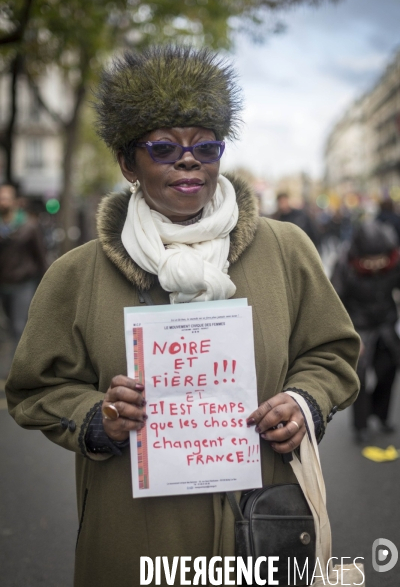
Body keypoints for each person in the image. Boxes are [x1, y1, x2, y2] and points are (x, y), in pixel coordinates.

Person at [6, 46, 360, 587]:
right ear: (128, 162)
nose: (189, 161)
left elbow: (331, 352)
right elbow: (33, 389)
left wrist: (305, 401)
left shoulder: (286, 250)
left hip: (260, 527)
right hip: (134, 538)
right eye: (165, 147)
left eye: (206, 146)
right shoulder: (77, 274)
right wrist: (99, 420)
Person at [331, 220, 400, 443]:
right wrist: (349, 337)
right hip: (357, 327)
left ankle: (380, 415)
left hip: (386, 323)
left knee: (388, 370)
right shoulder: (344, 264)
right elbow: (334, 301)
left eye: (379, 259)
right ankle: (360, 425)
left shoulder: (394, 262)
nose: (375, 264)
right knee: (358, 378)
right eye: (369, 260)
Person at [0, 184, 47, 352]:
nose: (2, 201)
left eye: (6, 198)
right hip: (3, 284)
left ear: (14, 202)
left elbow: (41, 256)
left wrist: (45, 284)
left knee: (19, 327)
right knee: (6, 328)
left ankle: (16, 370)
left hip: (23, 284)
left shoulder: (29, 226)